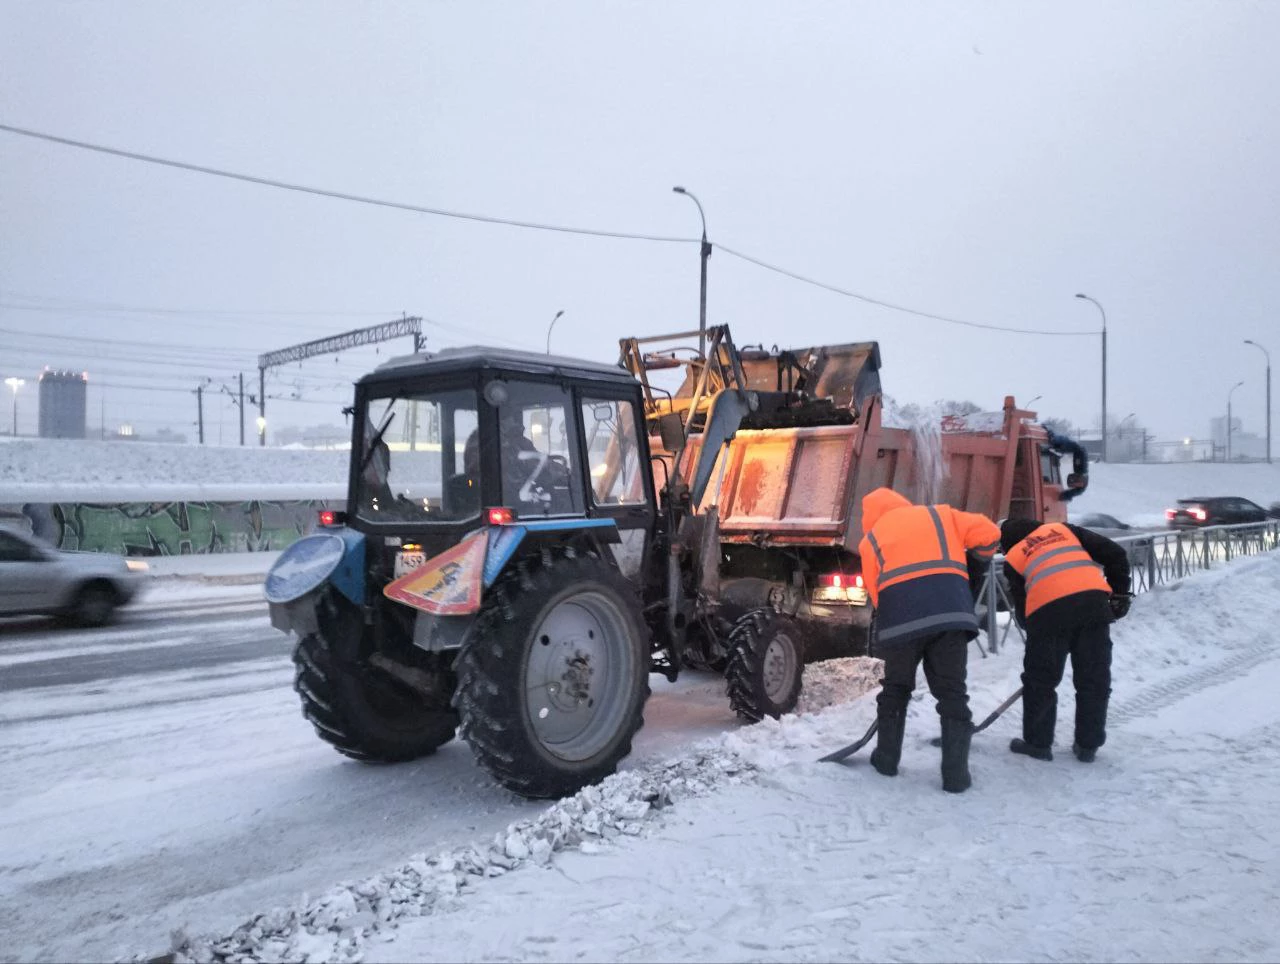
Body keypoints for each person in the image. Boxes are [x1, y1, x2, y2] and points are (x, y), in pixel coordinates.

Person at [858, 487, 1002, 793]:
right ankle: (956, 776)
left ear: (870, 516)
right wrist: (972, 570)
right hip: (950, 617)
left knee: (896, 689)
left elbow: (875, 591)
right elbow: (989, 535)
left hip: (901, 624)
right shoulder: (941, 515)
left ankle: (886, 759)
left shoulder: (870, 540)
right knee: (952, 694)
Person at [999, 517, 1131, 763]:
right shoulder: (1063, 529)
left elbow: (1022, 607)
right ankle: (1088, 746)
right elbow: (1116, 554)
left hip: (1047, 616)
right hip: (1093, 608)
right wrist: (1120, 594)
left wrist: (1037, 641)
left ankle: (1038, 744)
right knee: (1093, 679)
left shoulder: (1014, 557)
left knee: (1040, 682)